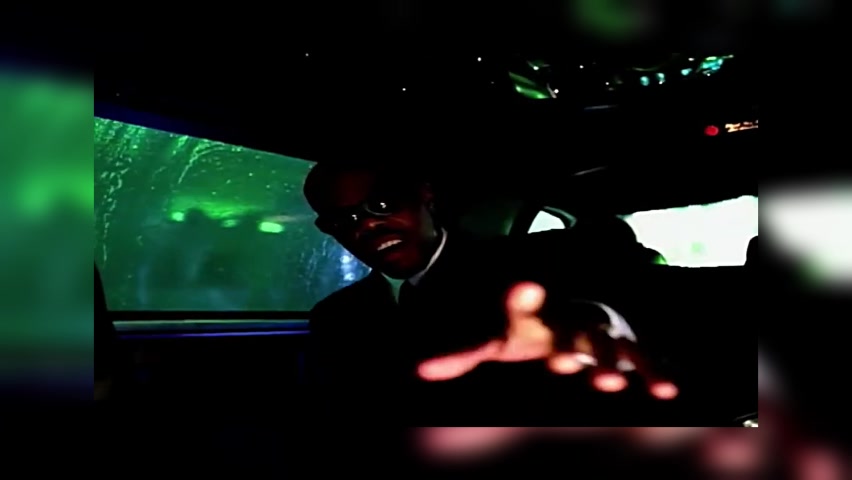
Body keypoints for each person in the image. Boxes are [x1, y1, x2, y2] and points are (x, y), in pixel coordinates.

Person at [304, 160, 751, 424]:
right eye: (341, 220)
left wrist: (597, 323)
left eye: (381, 205)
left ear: (425, 195)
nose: (365, 226)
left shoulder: (552, 257)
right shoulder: (336, 319)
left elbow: (660, 301)